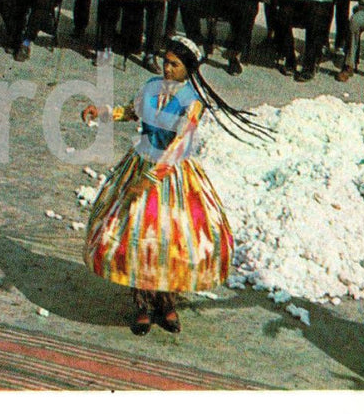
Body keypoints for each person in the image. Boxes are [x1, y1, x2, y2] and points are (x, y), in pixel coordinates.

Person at [81, 35, 268, 336]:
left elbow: (180, 145)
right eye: (165, 62)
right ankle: (142, 303)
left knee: (171, 241)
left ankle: (167, 302)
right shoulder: (151, 88)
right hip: (141, 161)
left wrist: (148, 180)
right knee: (139, 240)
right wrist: (103, 112)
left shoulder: (193, 101)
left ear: (189, 68)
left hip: (172, 175)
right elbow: (133, 111)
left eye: (175, 64)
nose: (167, 69)